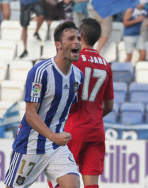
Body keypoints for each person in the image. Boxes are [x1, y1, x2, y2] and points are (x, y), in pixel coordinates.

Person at [4, 21, 83, 188]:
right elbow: (30, 114)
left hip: (56, 146)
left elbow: (67, 108)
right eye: (71, 38)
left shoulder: (77, 76)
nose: (77, 42)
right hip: (31, 145)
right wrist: (53, 135)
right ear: (58, 45)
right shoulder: (41, 72)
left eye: (79, 38)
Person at [48, 18, 114, 188]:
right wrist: (93, 116)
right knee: (91, 183)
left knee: (57, 179)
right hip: (96, 130)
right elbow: (109, 106)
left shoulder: (73, 60)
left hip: (72, 129)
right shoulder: (106, 65)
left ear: (81, 35)